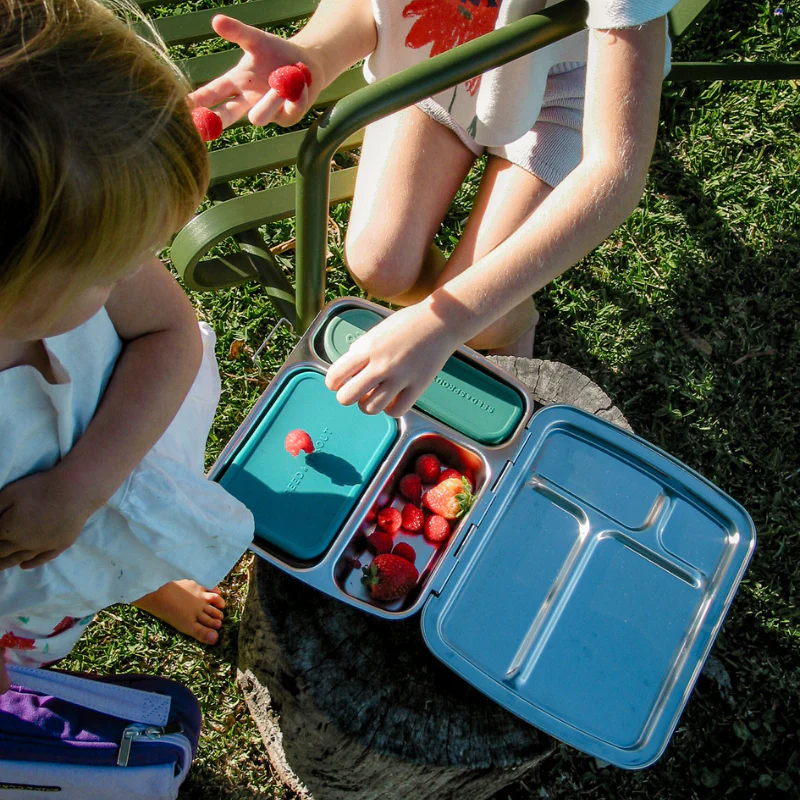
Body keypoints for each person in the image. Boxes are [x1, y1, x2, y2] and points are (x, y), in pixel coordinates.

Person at [191, 0, 677, 418]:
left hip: (572, 87)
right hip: (444, 62)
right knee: (379, 263)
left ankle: (509, 322)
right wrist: (315, 53)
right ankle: (487, 307)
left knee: (481, 322)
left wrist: (441, 322)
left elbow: (614, 169)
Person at [0, 0, 254, 692]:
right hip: (19, 583)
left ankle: (135, 576)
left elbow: (168, 333)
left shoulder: (66, 241)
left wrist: (82, 486)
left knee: (114, 544)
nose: (132, 273)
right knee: (53, 598)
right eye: (113, 268)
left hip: (114, 460)